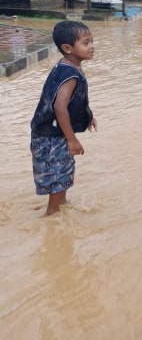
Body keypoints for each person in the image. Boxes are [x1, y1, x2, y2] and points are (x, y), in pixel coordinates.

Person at [30, 20, 97, 216]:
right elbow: (60, 107)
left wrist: (88, 116)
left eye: (92, 41)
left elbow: (76, 101)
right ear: (67, 48)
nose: (92, 47)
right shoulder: (70, 74)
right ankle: (52, 214)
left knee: (64, 171)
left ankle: (62, 204)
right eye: (86, 43)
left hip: (53, 133)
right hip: (50, 136)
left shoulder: (69, 66)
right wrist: (71, 138)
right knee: (57, 175)